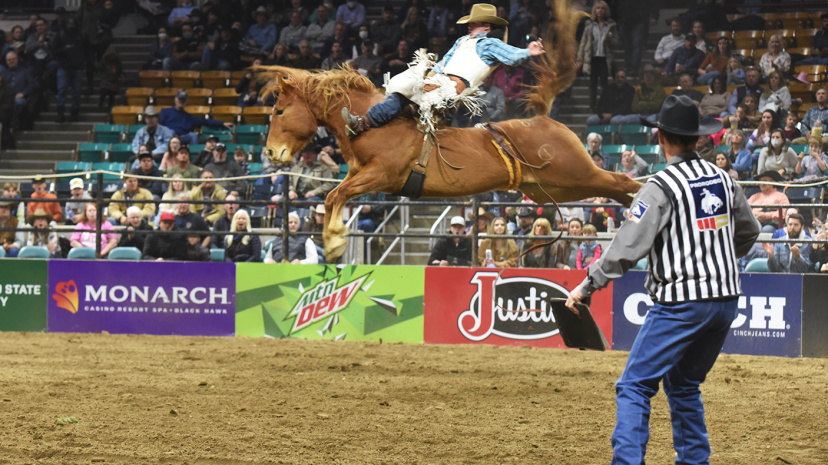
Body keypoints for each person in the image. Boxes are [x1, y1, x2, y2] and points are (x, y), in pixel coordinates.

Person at [565, 94, 760, 465]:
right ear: (698, 138)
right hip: (725, 301)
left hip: (680, 303)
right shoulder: (723, 180)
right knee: (684, 384)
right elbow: (750, 231)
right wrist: (715, 257)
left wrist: (587, 284)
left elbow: (627, 246)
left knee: (634, 386)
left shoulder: (660, 186)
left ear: (661, 137)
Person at [342, 3, 545, 137]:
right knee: (401, 91)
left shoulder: (489, 44)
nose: (469, 26)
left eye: (473, 24)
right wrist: (429, 77)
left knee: (403, 95)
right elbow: (443, 62)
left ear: (486, 27)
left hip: (452, 88)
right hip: (439, 81)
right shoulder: (462, 40)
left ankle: (365, 122)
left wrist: (528, 51)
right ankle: (368, 123)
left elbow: (511, 55)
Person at [576, 1, 618, 111]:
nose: (600, 10)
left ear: (606, 10)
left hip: (604, 58)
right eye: (598, 8)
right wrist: (580, 58)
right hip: (592, 58)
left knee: (604, 84)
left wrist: (609, 40)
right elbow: (583, 42)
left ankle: (604, 105)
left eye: (602, 8)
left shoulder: (610, 25)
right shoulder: (589, 25)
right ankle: (592, 106)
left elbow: (616, 42)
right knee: (592, 84)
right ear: (595, 10)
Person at [160, 90, 233, 146]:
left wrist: (222, 123)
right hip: (169, 137)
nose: (181, 102)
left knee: (193, 135)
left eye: (183, 100)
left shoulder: (188, 117)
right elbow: (160, 127)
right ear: (175, 99)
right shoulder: (166, 112)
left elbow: (205, 121)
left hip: (182, 138)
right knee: (170, 132)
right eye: (180, 99)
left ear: (186, 101)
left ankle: (194, 156)